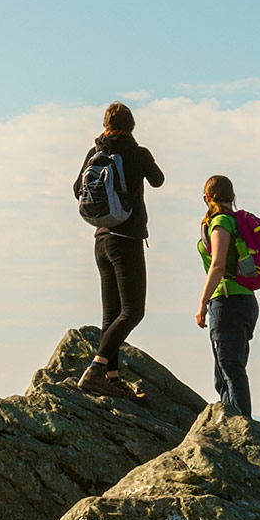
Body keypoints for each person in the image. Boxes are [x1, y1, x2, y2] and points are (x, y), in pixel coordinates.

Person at [75, 101, 164, 396]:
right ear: (132, 126)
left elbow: (77, 189)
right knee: (133, 311)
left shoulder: (95, 153)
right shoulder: (137, 153)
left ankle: (111, 378)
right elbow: (158, 180)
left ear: (105, 125)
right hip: (126, 240)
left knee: (110, 315)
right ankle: (96, 369)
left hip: (100, 239)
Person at [194, 175, 259, 416]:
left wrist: (202, 303)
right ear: (232, 196)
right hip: (246, 302)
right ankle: (233, 423)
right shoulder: (238, 221)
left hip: (227, 301)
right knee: (228, 371)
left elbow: (218, 264)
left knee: (230, 370)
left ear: (207, 198)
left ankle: (242, 428)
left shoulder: (221, 221)